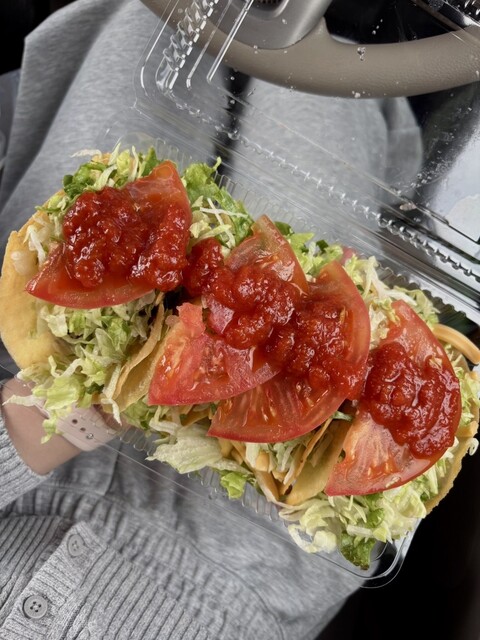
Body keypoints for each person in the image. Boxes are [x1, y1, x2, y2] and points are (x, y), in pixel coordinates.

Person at [0, 1, 423, 638]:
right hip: (252, 553)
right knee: (321, 102)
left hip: (32, 413)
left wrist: (40, 425)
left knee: (145, 35)